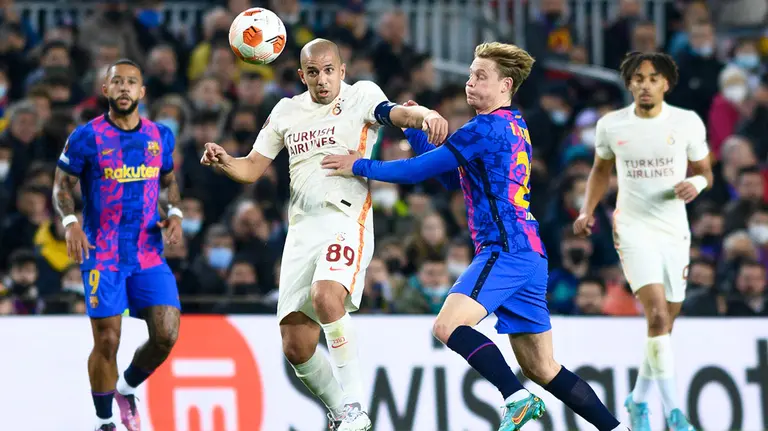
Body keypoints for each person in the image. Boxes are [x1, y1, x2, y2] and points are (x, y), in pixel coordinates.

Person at [322, 42, 627, 431]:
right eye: (469, 74)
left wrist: (358, 165)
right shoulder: (514, 124)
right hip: (530, 254)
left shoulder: (484, 128)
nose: (470, 83)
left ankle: (515, 397)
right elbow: (453, 176)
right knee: (542, 367)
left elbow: (416, 173)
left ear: (505, 85)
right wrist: (413, 132)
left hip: (505, 249)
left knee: (447, 326)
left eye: (481, 76)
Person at [199, 38, 447, 431]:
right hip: (301, 231)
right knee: (295, 346)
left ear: (342, 71)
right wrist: (224, 160)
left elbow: (394, 113)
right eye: (313, 72)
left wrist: (426, 115)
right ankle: (341, 415)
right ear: (302, 75)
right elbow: (250, 169)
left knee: (326, 294)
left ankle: (354, 406)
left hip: (345, 220)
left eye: (329, 70)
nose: (322, 79)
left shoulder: (361, 95)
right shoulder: (286, 111)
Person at [574, 51, 713, 431]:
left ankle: (636, 400)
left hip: (674, 230)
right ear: (629, 84)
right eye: (638, 78)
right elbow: (600, 171)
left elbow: (705, 172)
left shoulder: (686, 123)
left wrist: (695, 184)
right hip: (633, 227)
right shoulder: (611, 125)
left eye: (653, 78)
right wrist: (587, 211)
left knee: (665, 323)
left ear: (665, 83)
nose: (645, 84)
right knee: (654, 314)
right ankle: (674, 413)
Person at [52, 59, 183, 431]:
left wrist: (174, 212)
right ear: (105, 90)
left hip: (147, 250)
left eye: (132, 82)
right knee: (108, 339)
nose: (124, 88)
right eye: (117, 82)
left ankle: (126, 388)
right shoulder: (86, 137)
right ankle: (104, 421)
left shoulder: (160, 136)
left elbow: (169, 181)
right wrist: (70, 222)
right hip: (102, 252)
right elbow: (62, 185)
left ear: (142, 92)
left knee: (166, 335)